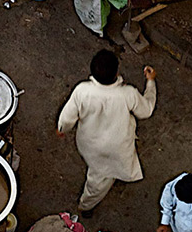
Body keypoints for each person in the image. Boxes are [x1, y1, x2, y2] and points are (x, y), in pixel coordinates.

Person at [57, 49, 157, 212]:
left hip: (90, 144)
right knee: (98, 180)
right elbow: (146, 111)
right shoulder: (128, 93)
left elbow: (67, 118)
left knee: (98, 171)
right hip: (114, 149)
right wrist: (150, 83)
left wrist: (62, 129)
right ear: (116, 72)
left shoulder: (82, 90)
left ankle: (88, 203)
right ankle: (86, 205)